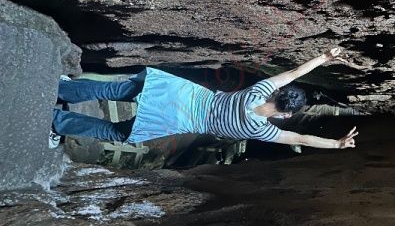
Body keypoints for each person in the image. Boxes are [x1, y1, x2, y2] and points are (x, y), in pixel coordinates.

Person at [50, 47, 359, 150]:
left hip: (186, 94)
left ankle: (65, 89)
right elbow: (301, 139)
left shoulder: (257, 91)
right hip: (181, 118)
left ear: (277, 93)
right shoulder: (261, 130)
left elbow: (292, 73)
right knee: (118, 133)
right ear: (285, 114)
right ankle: (59, 122)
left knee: (118, 90)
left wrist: (324, 57)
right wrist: (336, 144)